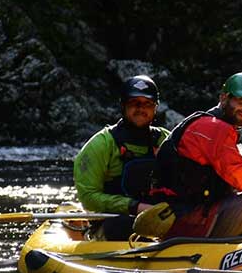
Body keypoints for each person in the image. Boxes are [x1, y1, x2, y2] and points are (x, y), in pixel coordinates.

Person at [136, 71, 242, 239]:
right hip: (190, 223)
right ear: (224, 98)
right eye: (241, 100)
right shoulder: (215, 128)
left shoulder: (205, 122)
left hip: (182, 217)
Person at [73, 75, 170, 240]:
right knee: (121, 225)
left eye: (147, 104)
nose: (141, 109)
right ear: (123, 106)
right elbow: (88, 197)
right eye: (134, 103)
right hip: (114, 221)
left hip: (158, 220)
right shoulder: (102, 144)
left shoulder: (165, 140)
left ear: (155, 108)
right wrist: (134, 207)